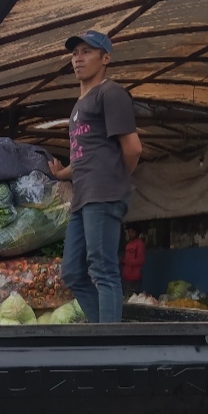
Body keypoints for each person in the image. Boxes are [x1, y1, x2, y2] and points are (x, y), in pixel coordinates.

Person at [49, 30, 143, 323]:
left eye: (87, 52)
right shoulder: (79, 106)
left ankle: (111, 343)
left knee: (102, 268)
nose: (78, 58)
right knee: (73, 272)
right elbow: (84, 156)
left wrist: (116, 178)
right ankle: (102, 329)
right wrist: (61, 172)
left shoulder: (110, 93)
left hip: (102, 193)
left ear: (105, 58)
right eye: (75, 53)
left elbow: (133, 148)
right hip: (83, 195)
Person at [122, 225, 146, 295]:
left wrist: (125, 261)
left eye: (132, 232)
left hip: (135, 277)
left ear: (137, 233)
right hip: (126, 276)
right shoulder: (128, 245)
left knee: (132, 299)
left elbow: (140, 260)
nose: (130, 234)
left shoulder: (139, 244)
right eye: (129, 232)